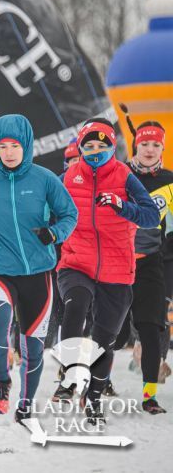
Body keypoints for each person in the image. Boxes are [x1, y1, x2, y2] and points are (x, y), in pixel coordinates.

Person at [0, 114, 78, 424]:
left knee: (33, 346)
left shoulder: (45, 179)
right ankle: (1, 380)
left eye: (15, 146)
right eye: (2, 146)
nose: (9, 152)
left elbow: (69, 214)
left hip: (38, 273)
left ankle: (25, 403)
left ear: (26, 146)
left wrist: (54, 234)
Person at [54, 118, 158, 424]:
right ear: (82, 148)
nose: (95, 151)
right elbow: (47, 209)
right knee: (75, 307)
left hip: (116, 268)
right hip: (76, 262)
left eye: (102, 146)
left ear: (112, 147)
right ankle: (71, 373)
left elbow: (151, 216)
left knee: (105, 340)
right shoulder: (69, 176)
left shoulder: (125, 176)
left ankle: (94, 397)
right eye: (89, 146)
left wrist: (121, 206)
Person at [113, 121, 172, 414]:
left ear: (163, 147)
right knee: (115, 334)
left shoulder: (170, 180)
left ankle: (150, 396)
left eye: (156, 145)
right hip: (116, 263)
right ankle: (93, 385)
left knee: (151, 331)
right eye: (145, 144)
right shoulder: (118, 174)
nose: (149, 150)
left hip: (151, 265)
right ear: (136, 145)